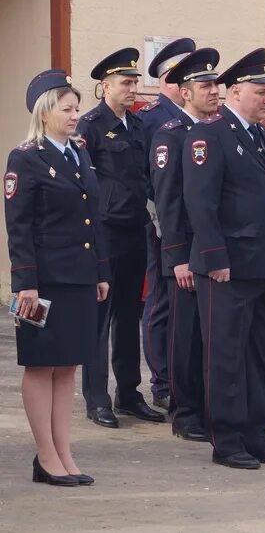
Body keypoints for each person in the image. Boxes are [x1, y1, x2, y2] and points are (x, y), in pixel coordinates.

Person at [183, 47, 265, 469]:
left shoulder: (264, 136)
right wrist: (214, 258)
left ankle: (257, 433)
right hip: (227, 266)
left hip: (262, 264)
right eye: (260, 90)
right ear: (235, 92)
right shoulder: (207, 137)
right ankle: (227, 439)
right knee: (226, 355)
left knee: (258, 353)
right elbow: (200, 203)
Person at [5, 70, 109, 486]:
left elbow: (93, 219)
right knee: (40, 363)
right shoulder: (26, 157)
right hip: (43, 281)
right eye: (67, 109)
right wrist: (25, 283)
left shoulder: (79, 153)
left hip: (79, 277)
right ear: (45, 112)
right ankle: (45, 455)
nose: (75, 116)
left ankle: (64, 450)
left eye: (77, 108)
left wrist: (100, 271)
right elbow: (19, 226)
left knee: (67, 365)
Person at [79, 48, 164, 428]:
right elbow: (84, 184)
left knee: (130, 315)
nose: (133, 89)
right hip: (104, 233)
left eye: (134, 83)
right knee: (99, 318)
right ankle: (96, 398)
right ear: (105, 86)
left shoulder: (139, 126)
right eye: (126, 83)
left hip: (134, 230)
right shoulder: (90, 126)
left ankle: (128, 392)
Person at [149, 47, 221, 442]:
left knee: (211, 336)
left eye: (215, 84)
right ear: (184, 92)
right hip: (186, 253)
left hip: (214, 251)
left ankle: (209, 407)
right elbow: (168, 201)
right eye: (204, 86)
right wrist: (176, 257)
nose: (213, 91)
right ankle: (185, 410)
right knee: (185, 334)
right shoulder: (171, 135)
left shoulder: (213, 131)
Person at [137, 37, 197, 411]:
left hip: (190, 226)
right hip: (162, 224)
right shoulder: (153, 119)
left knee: (182, 306)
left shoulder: (200, 119)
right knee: (161, 303)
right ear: (167, 80)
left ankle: (180, 376)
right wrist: (159, 220)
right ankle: (162, 380)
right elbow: (148, 176)